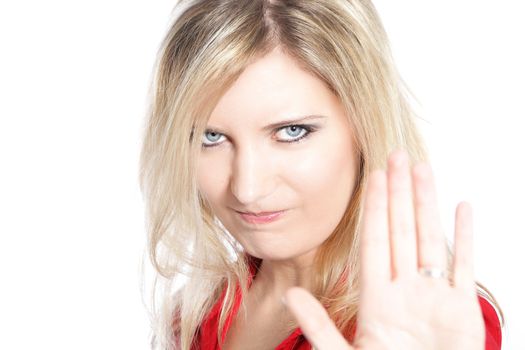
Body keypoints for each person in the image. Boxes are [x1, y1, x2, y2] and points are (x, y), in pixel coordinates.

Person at [138, 0, 504, 349]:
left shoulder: (429, 324)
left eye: (292, 131)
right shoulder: (194, 316)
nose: (247, 189)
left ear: (364, 125)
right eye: (211, 137)